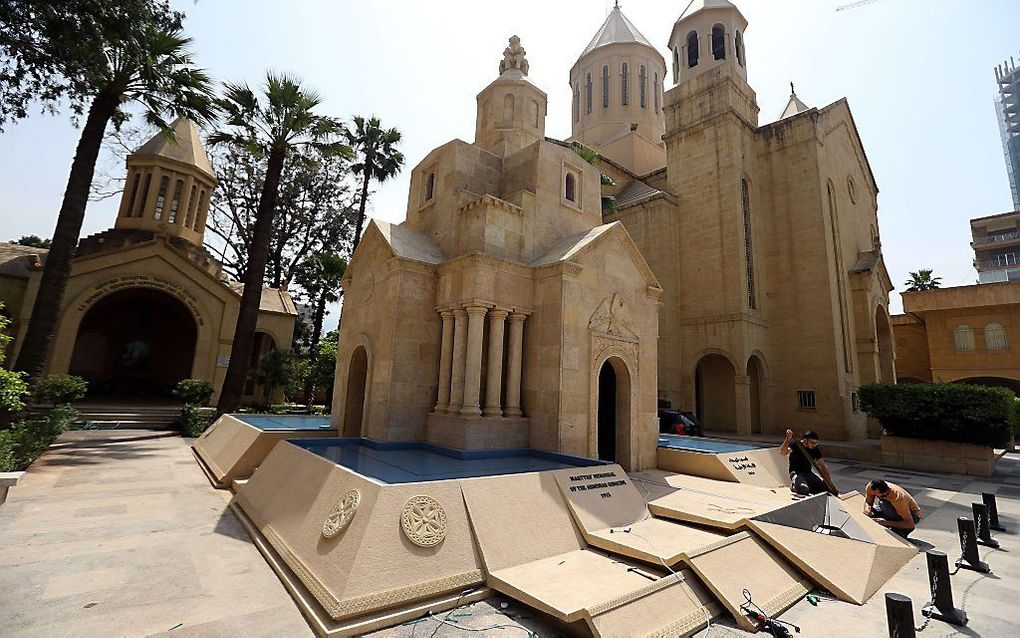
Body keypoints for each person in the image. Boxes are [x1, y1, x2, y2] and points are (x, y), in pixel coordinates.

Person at [780, 429, 837, 496]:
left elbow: (823, 466)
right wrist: (787, 439)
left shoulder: (815, 449)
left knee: (827, 488)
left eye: (816, 443)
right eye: (812, 443)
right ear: (805, 440)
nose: (814, 445)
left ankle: (808, 484)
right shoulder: (796, 445)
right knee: (803, 489)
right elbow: (783, 452)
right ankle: (794, 486)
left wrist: (830, 483)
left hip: (809, 473)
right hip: (797, 473)